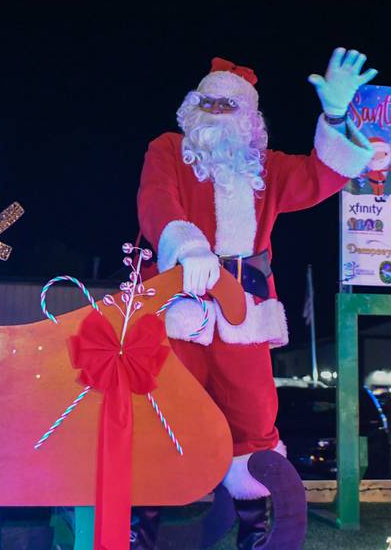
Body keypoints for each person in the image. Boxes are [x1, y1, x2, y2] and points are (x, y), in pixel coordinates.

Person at [135, 49, 376, 549]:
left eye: (231, 107)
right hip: (183, 306)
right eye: (211, 104)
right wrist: (187, 245)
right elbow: (157, 201)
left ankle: (254, 527)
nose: (219, 115)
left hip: (245, 310)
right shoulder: (168, 149)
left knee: (254, 414)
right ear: (192, 107)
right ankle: (142, 526)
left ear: (250, 118)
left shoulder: (265, 167)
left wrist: (334, 115)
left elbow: (321, 176)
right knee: (165, 404)